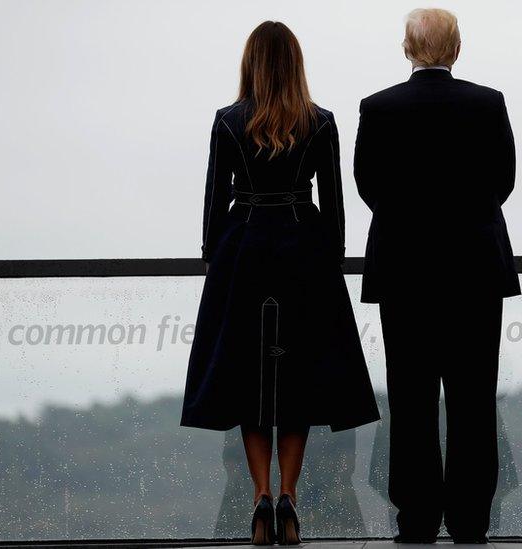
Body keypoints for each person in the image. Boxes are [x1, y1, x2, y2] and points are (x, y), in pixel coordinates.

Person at [180, 21, 380, 545]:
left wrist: (213, 255)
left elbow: (212, 203)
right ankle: (289, 494)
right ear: (295, 64)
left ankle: (260, 496)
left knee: (249, 378)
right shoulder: (322, 121)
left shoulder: (227, 122)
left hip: (243, 249)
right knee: (299, 378)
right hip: (302, 249)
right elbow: (333, 204)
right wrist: (330, 256)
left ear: (250, 63)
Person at [353, 7, 520, 544]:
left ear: (407, 47)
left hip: (404, 271)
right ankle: (471, 518)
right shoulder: (487, 103)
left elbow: (368, 185)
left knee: (411, 398)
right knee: (473, 398)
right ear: (456, 48)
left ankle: (418, 517)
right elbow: (503, 181)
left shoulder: (378, 108)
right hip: (474, 269)